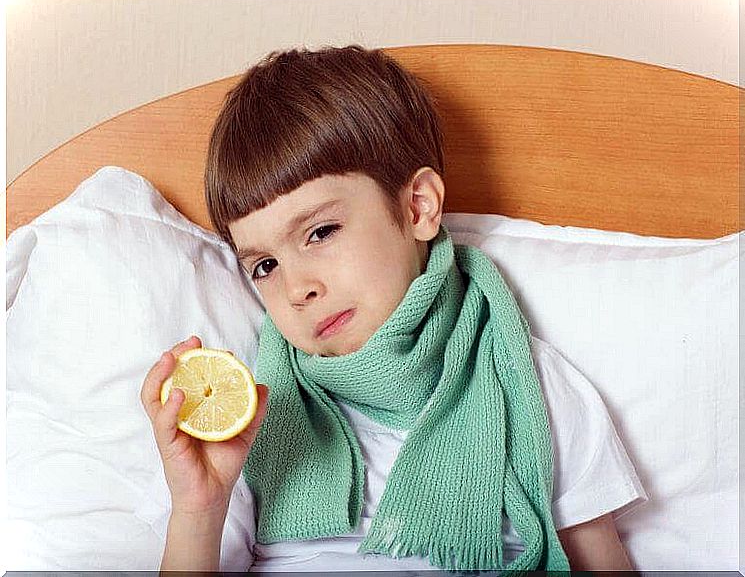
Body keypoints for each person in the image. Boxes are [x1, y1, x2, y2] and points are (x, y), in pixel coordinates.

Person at [140, 44, 646, 572]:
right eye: (264, 265)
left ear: (417, 207)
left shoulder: (528, 386)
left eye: (320, 232)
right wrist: (198, 510)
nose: (297, 289)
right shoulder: (248, 413)